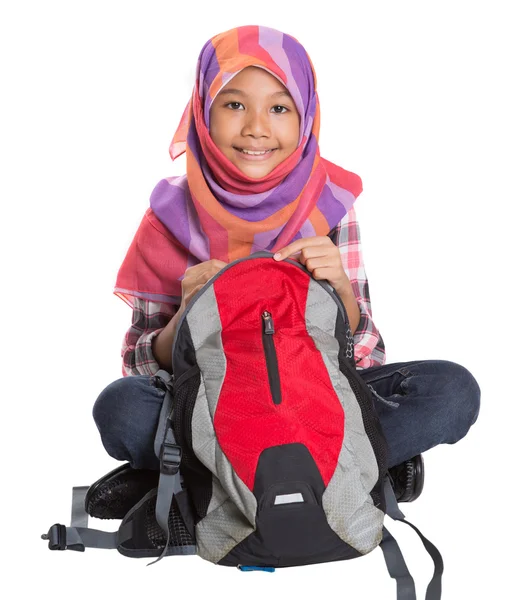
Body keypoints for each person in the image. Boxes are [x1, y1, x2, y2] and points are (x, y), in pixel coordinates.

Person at [89, 25, 480, 519]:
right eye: (233, 105)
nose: (256, 127)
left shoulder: (329, 204)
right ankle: (356, 472)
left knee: (452, 391)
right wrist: (186, 312)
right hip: (212, 408)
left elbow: (365, 356)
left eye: (279, 107)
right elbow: (141, 367)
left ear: (305, 117)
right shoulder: (170, 216)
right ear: (202, 112)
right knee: (121, 409)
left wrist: (338, 287)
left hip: (315, 404)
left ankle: (193, 483)